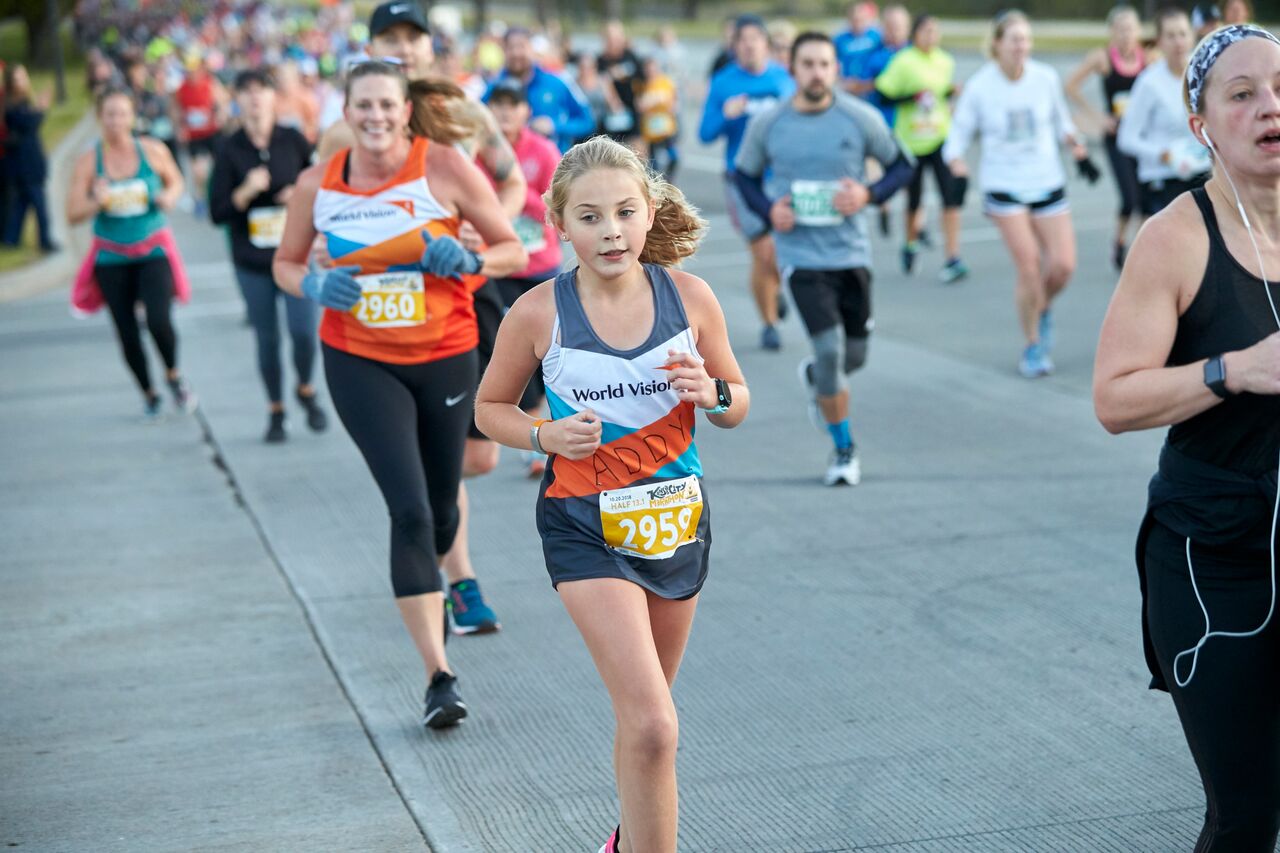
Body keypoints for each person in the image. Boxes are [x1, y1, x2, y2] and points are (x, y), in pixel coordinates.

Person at [474, 135, 749, 853]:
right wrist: (543, 437)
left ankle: (627, 841)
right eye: (590, 217)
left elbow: (737, 398)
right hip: (583, 523)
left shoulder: (689, 297)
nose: (611, 231)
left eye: (625, 212)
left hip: (675, 520)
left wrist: (712, 391)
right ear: (558, 223)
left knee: (648, 722)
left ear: (649, 212)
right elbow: (489, 408)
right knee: (656, 723)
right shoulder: (539, 313)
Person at [272, 60, 526, 728]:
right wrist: (314, 286)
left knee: (443, 508)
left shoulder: (443, 168)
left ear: (405, 111)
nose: (376, 116)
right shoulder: (316, 184)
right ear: (346, 113)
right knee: (409, 511)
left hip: (445, 354)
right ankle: (439, 674)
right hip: (359, 358)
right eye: (363, 106)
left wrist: (470, 260)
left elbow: (512, 248)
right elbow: (286, 263)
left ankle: (443, 572)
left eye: (387, 104)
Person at [1093, 25, 1280, 853]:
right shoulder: (1177, 236)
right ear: (1202, 123)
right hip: (1216, 564)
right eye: (1242, 94)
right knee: (1246, 814)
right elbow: (1114, 398)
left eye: (1278, 87)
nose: (1270, 107)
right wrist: (1232, 369)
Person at [735, 32, 912, 486]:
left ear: (835, 70)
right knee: (832, 349)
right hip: (800, 257)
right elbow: (745, 176)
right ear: (792, 69)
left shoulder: (859, 117)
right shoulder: (770, 123)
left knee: (852, 356)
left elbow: (902, 165)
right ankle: (843, 448)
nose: (817, 72)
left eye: (825, 64)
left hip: (851, 253)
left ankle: (817, 378)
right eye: (808, 63)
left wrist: (868, 193)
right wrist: (768, 210)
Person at [943, 11, 1090, 379]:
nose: (1021, 46)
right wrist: (956, 161)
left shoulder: (1045, 78)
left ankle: (1039, 307)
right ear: (996, 44)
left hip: (1046, 179)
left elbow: (1061, 122)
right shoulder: (981, 86)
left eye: (1026, 39)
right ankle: (1032, 344)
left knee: (1063, 266)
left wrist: (1074, 143)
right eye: (1014, 40)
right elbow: (957, 135)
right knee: (1028, 266)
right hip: (1003, 186)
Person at [209, 69, 325, 444]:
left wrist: (298, 193)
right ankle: (276, 410)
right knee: (267, 338)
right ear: (237, 100)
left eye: (261, 91)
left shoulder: (292, 139)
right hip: (253, 262)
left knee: (305, 333)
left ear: (274, 98)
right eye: (246, 92)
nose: (255, 99)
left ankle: (305, 388)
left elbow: (323, 188)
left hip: (295, 255)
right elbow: (216, 212)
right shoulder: (228, 149)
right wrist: (244, 192)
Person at [65, 86, 195, 418]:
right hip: (111, 257)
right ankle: (149, 392)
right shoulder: (88, 162)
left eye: (123, 113)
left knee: (159, 321)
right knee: (126, 331)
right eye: (110, 115)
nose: (116, 121)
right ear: (100, 118)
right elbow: (73, 212)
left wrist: (169, 197)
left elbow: (175, 181)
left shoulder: (151, 150)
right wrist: (98, 201)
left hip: (152, 248)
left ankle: (173, 375)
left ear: (132, 117)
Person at [699, 15, 795, 351]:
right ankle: (769, 323)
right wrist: (726, 114)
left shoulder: (783, 79)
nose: (750, 44)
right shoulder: (724, 82)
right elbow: (705, 133)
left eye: (756, 38)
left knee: (779, 251)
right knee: (763, 251)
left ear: (766, 44)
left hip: (781, 178)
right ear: (735, 45)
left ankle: (778, 288)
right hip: (742, 180)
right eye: (743, 39)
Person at [484, 78, 563, 479]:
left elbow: (557, 202)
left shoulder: (543, 150)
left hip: (540, 263)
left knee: (549, 353)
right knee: (516, 352)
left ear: (524, 112)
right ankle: (536, 443)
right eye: (496, 106)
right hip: (500, 268)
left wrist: (517, 197)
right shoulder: (480, 154)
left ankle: (555, 423)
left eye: (511, 106)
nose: (503, 114)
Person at [876, 14, 968, 282]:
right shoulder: (903, 61)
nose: (931, 36)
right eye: (926, 31)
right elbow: (883, 94)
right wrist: (911, 97)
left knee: (950, 196)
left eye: (935, 31)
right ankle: (911, 243)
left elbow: (940, 95)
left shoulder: (944, 61)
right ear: (915, 34)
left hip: (940, 137)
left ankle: (953, 256)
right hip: (912, 142)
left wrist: (951, 93)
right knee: (914, 199)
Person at [1065, 4, 1147, 270]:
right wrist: (1098, 117)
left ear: (1138, 31)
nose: (1126, 34)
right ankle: (1120, 242)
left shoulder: (1149, 57)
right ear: (1111, 31)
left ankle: (1143, 252)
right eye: (1120, 29)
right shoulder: (1102, 58)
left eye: (1130, 28)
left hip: (1143, 137)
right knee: (1129, 199)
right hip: (1116, 138)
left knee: (1145, 199)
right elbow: (1070, 86)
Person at [1118, 9, 1209, 217]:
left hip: (1202, 174)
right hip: (1163, 179)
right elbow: (1126, 138)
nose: (1178, 42)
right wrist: (1164, 154)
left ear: (1192, 36)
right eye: (1170, 35)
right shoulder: (1148, 82)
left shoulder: (1204, 76)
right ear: (1159, 41)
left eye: (1183, 34)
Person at [484, 27, 594, 153]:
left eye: (521, 46)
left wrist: (554, 126)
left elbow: (587, 122)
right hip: (506, 165)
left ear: (532, 49)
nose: (516, 53)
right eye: (510, 47)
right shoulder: (494, 86)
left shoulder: (557, 82)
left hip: (553, 165)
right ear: (504, 51)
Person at [2, 64, 57, 252]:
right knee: (39, 203)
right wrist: (41, 109)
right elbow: (29, 124)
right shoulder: (10, 106)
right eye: (18, 79)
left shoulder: (23, 102)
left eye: (24, 77)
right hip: (23, 163)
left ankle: (11, 239)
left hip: (30, 159)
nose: (23, 82)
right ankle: (45, 241)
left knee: (22, 203)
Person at [173, 54, 226, 217]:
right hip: (194, 136)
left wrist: (220, 117)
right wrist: (179, 128)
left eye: (194, 70)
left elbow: (223, 102)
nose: (192, 73)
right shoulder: (181, 89)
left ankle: (220, 196)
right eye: (189, 70)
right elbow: (175, 110)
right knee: (198, 172)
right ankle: (200, 199)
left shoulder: (211, 84)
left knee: (221, 167)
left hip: (212, 132)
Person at [597, 20, 643, 145]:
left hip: (633, 110)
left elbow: (644, 77)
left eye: (617, 38)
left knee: (638, 150)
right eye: (609, 38)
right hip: (612, 113)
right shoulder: (601, 61)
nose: (614, 42)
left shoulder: (631, 56)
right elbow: (602, 83)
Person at [637, 56, 680, 180]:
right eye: (649, 69)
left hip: (666, 127)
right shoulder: (642, 84)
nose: (651, 72)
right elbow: (639, 105)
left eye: (654, 69)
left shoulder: (666, 82)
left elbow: (674, 104)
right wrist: (652, 102)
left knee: (674, 157)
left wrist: (662, 102)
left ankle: (669, 180)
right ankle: (657, 185)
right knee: (653, 164)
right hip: (651, 130)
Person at [835, 1, 882, 95]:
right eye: (855, 19)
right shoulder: (840, 39)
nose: (858, 23)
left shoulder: (877, 37)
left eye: (861, 19)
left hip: (870, 87)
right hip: (847, 87)